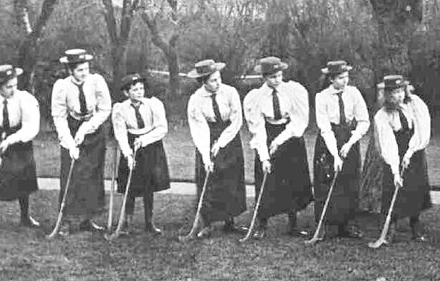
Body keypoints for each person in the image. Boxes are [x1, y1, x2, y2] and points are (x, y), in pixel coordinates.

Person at [243, 57, 313, 237]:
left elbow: (299, 120)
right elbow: (257, 128)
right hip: (267, 132)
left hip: (289, 134)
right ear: (264, 77)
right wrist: (265, 156)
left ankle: (293, 224)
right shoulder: (255, 97)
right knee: (267, 178)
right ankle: (262, 223)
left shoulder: (293, 91)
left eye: (280, 75)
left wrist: (280, 140)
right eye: (273, 77)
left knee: (291, 179)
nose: (278, 80)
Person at [50, 49, 112, 234]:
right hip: (71, 128)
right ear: (70, 71)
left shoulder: (96, 81)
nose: (84, 73)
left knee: (92, 175)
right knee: (71, 174)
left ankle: (88, 219)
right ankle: (67, 220)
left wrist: (86, 128)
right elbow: (58, 116)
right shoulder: (61, 86)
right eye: (79, 70)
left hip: (94, 130)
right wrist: (69, 142)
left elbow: (105, 109)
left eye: (86, 69)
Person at [0, 65, 41, 232]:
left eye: (15, 85)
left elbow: (30, 126)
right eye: (8, 87)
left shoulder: (24, 99)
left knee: (22, 177)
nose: (13, 89)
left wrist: (11, 140)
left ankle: (25, 217)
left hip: (19, 138)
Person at [185, 60, 246, 238]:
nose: (218, 83)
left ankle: (230, 221)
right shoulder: (196, 100)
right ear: (203, 82)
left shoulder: (230, 92)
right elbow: (199, 128)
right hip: (207, 136)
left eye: (218, 78)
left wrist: (221, 142)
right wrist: (206, 155)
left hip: (229, 137)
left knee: (230, 178)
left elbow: (236, 120)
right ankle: (208, 223)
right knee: (209, 178)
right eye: (213, 81)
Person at [311, 60, 370, 239]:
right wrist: (335, 155)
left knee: (349, 180)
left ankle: (347, 223)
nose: (345, 81)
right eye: (340, 78)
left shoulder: (354, 93)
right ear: (331, 79)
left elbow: (364, 121)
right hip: (329, 140)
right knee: (326, 180)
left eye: (346, 77)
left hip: (349, 138)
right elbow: (325, 128)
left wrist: (350, 143)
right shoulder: (321, 97)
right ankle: (324, 223)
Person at [371, 75, 432, 241]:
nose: (398, 96)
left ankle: (415, 226)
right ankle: (390, 228)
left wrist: (410, 152)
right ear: (387, 96)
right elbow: (388, 143)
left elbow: (422, 129)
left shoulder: (415, 104)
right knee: (393, 187)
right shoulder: (382, 115)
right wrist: (395, 169)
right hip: (395, 150)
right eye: (393, 93)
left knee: (415, 187)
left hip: (415, 150)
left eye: (400, 91)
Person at [110, 74, 170, 234]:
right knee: (129, 184)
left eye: (141, 88)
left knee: (148, 184)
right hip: (130, 142)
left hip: (151, 144)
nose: (139, 92)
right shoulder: (120, 109)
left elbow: (162, 128)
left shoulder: (153, 104)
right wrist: (128, 155)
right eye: (135, 90)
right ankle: (126, 222)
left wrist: (144, 140)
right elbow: (120, 133)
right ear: (126, 93)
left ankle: (149, 222)